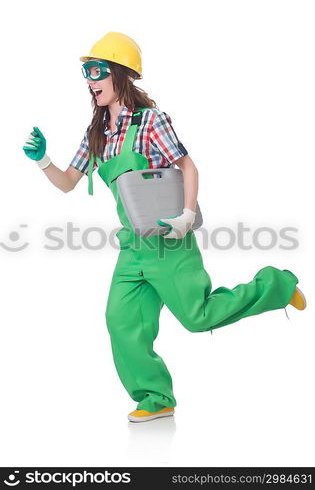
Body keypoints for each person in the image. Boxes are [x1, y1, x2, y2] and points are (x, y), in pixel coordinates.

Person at [22, 31, 307, 423]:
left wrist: (187, 216)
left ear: (120, 74)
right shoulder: (97, 133)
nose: (90, 81)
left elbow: (187, 165)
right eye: (86, 73)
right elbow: (69, 182)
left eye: (96, 71)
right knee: (121, 322)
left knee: (198, 317)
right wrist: (43, 161)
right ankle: (156, 398)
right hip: (132, 249)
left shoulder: (151, 122)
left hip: (169, 242)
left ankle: (276, 285)